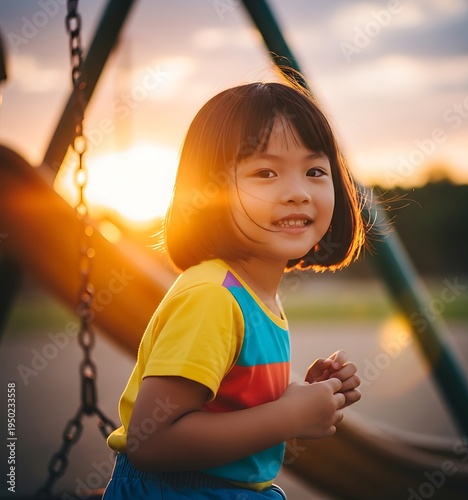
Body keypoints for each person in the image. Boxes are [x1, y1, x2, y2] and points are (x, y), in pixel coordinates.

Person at [103, 79, 366, 499]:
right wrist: (287, 417)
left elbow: (226, 404)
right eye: (266, 172)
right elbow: (152, 442)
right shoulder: (212, 297)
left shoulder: (254, 295)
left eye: (315, 171)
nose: (297, 192)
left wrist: (303, 394)